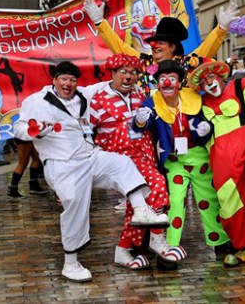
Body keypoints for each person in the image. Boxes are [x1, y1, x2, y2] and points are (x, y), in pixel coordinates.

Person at [13, 60, 169, 283]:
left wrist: (129, 78)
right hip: (62, 164)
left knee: (122, 163)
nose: (68, 84)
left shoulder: (82, 94)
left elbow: (109, 83)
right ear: (54, 80)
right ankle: (71, 263)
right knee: (76, 206)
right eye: (64, 79)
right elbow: (19, 127)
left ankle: (141, 209)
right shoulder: (37, 101)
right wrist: (35, 130)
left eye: (72, 80)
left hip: (89, 156)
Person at [90, 54, 189, 270]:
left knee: (138, 207)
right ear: (113, 73)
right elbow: (85, 130)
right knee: (158, 185)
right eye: (123, 71)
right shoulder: (98, 100)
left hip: (144, 155)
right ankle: (156, 239)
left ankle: (123, 249)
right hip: (122, 160)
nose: (129, 76)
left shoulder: (140, 95)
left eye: (133, 72)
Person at [133, 59, 230, 259]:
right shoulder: (152, 101)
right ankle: (169, 247)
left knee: (208, 200)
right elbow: (140, 126)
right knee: (176, 201)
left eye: (172, 78)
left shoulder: (192, 97)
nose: (167, 83)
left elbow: (207, 119)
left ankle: (220, 241)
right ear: (157, 82)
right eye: (162, 79)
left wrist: (205, 129)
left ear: (179, 82)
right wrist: (140, 120)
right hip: (174, 160)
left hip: (199, 157)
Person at [188, 58, 245, 266]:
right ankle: (241, 247)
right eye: (202, 82)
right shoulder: (200, 104)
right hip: (222, 160)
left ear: (220, 75)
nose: (208, 83)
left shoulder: (244, 86)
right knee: (229, 201)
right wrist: (199, 131)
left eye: (211, 77)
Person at [83, 0, 239, 92]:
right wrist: (100, 23)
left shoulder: (187, 64)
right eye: (153, 43)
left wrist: (221, 29)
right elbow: (119, 47)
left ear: (172, 47)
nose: (154, 46)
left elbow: (207, 49)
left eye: (161, 43)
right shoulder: (142, 62)